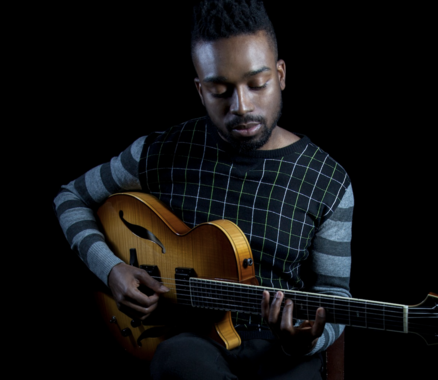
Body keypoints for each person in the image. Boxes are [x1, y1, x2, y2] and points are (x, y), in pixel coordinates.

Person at [54, 0, 353, 378]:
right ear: (199, 89)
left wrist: (309, 339)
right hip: (193, 341)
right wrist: (111, 269)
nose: (241, 106)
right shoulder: (160, 151)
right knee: (179, 361)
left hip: (283, 352)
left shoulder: (329, 181)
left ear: (280, 75)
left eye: (256, 84)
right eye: (219, 89)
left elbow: (334, 294)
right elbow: (70, 197)